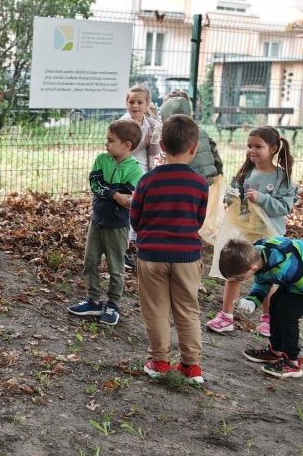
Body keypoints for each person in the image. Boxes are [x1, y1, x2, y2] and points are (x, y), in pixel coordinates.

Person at [130, 114, 210, 384]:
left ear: (161, 145)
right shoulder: (200, 183)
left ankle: (160, 362)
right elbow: (198, 220)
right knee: (188, 309)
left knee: (155, 309)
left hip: (151, 255)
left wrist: (145, 236)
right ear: (194, 147)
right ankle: (191, 367)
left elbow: (135, 217)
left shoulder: (146, 181)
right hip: (187, 256)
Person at [206, 126, 296, 336]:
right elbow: (236, 204)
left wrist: (262, 198)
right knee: (234, 272)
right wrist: (229, 198)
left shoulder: (282, 178)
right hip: (244, 235)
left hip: (269, 238)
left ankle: (268, 318)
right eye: (249, 146)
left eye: (258, 146)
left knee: (267, 278)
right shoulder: (244, 173)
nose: (252, 150)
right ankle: (226, 317)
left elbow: (285, 207)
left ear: (273, 149)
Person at [219, 237, 303, 379]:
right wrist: (252, 301)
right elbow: (263, 281)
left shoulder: (284, 267)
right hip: (300, 271)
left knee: (286, 311)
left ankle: (292, 362)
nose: (241, 280)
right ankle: (276, 350)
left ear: (252, 268)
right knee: (275, 302)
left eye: (240, 278)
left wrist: (288, 293)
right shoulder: (255, 256)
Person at [67, 119, 144, 326]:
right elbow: (95, 184)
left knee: (115, 266)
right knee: (90, 261)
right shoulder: (102, 160)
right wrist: (114, 195)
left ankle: (113, 304)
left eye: (111, 141)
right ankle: (93, 300)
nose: (106, 144)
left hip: (117, 226)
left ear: (126, 145)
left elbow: (129, 199)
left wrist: (118, 196)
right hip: (97, 221)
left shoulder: (136, 171)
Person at [121, 85, 163, 270]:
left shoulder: (151, 124)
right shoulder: (123, 124)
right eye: (131, 102)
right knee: (130, 206)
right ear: (126, 103)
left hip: (146, 171)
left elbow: (153, 152)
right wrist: (144, 142)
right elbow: (122, 151)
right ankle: (124, 248)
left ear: (147, 104)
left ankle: (139, 245)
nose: (135, 106)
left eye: (139, 102)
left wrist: (154, 140)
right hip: (126, 170)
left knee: (144, 208)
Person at [159, 90, 223, 183]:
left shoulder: (178, 133)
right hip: (206, 180)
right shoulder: (200, 130)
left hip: (190, 181)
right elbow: (216, 160)